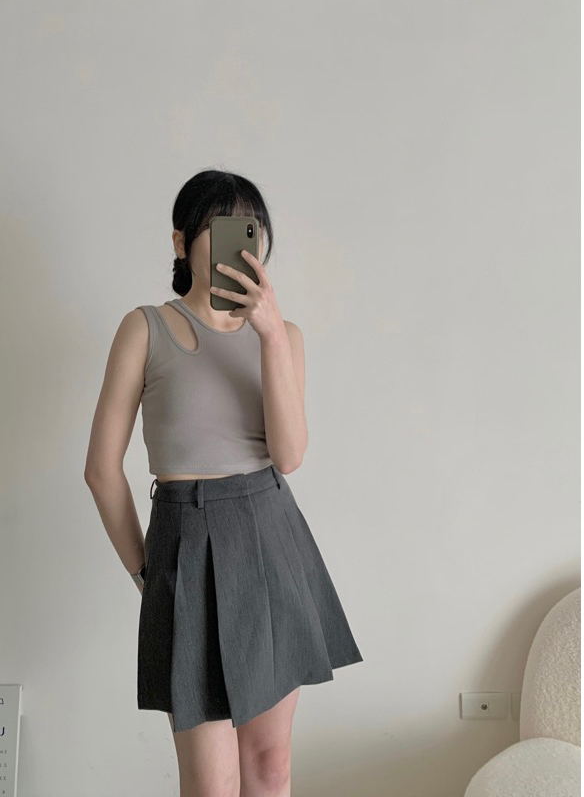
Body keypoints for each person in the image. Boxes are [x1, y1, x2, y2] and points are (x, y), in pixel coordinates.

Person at [84, 169, 363, 797]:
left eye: (249, 229)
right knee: (211, 784)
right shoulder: (145, 328)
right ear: (181, 242)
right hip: (187, 541)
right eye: (218, 227)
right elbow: (101, 469)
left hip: (271, 538)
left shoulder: (284, 338)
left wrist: (270, 332)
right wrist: (148, 575)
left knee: (271, 767)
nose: (239, 241)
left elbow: (288, 456)